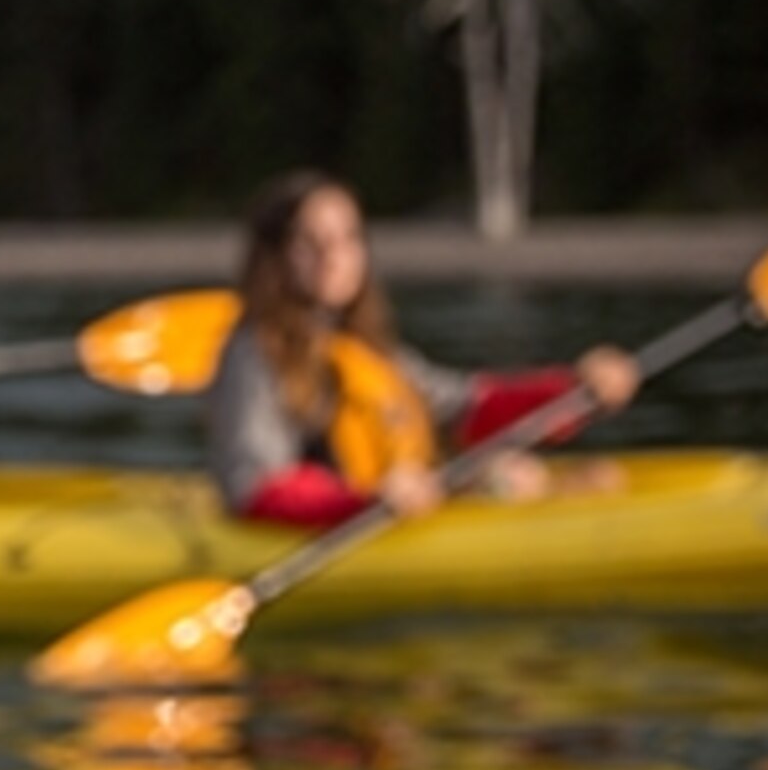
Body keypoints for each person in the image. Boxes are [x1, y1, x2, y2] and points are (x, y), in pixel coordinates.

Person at [208, 170, 640, 528]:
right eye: (309, 242)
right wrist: (365, 502)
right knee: (513, 481)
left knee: (544, 474)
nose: (332, 256)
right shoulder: (253, 353)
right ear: (273, 257)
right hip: (340, 522)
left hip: (395, 506)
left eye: (347, 238)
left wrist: (576, 392)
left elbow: (466, 410)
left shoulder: (366, 348)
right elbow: (252, 487)